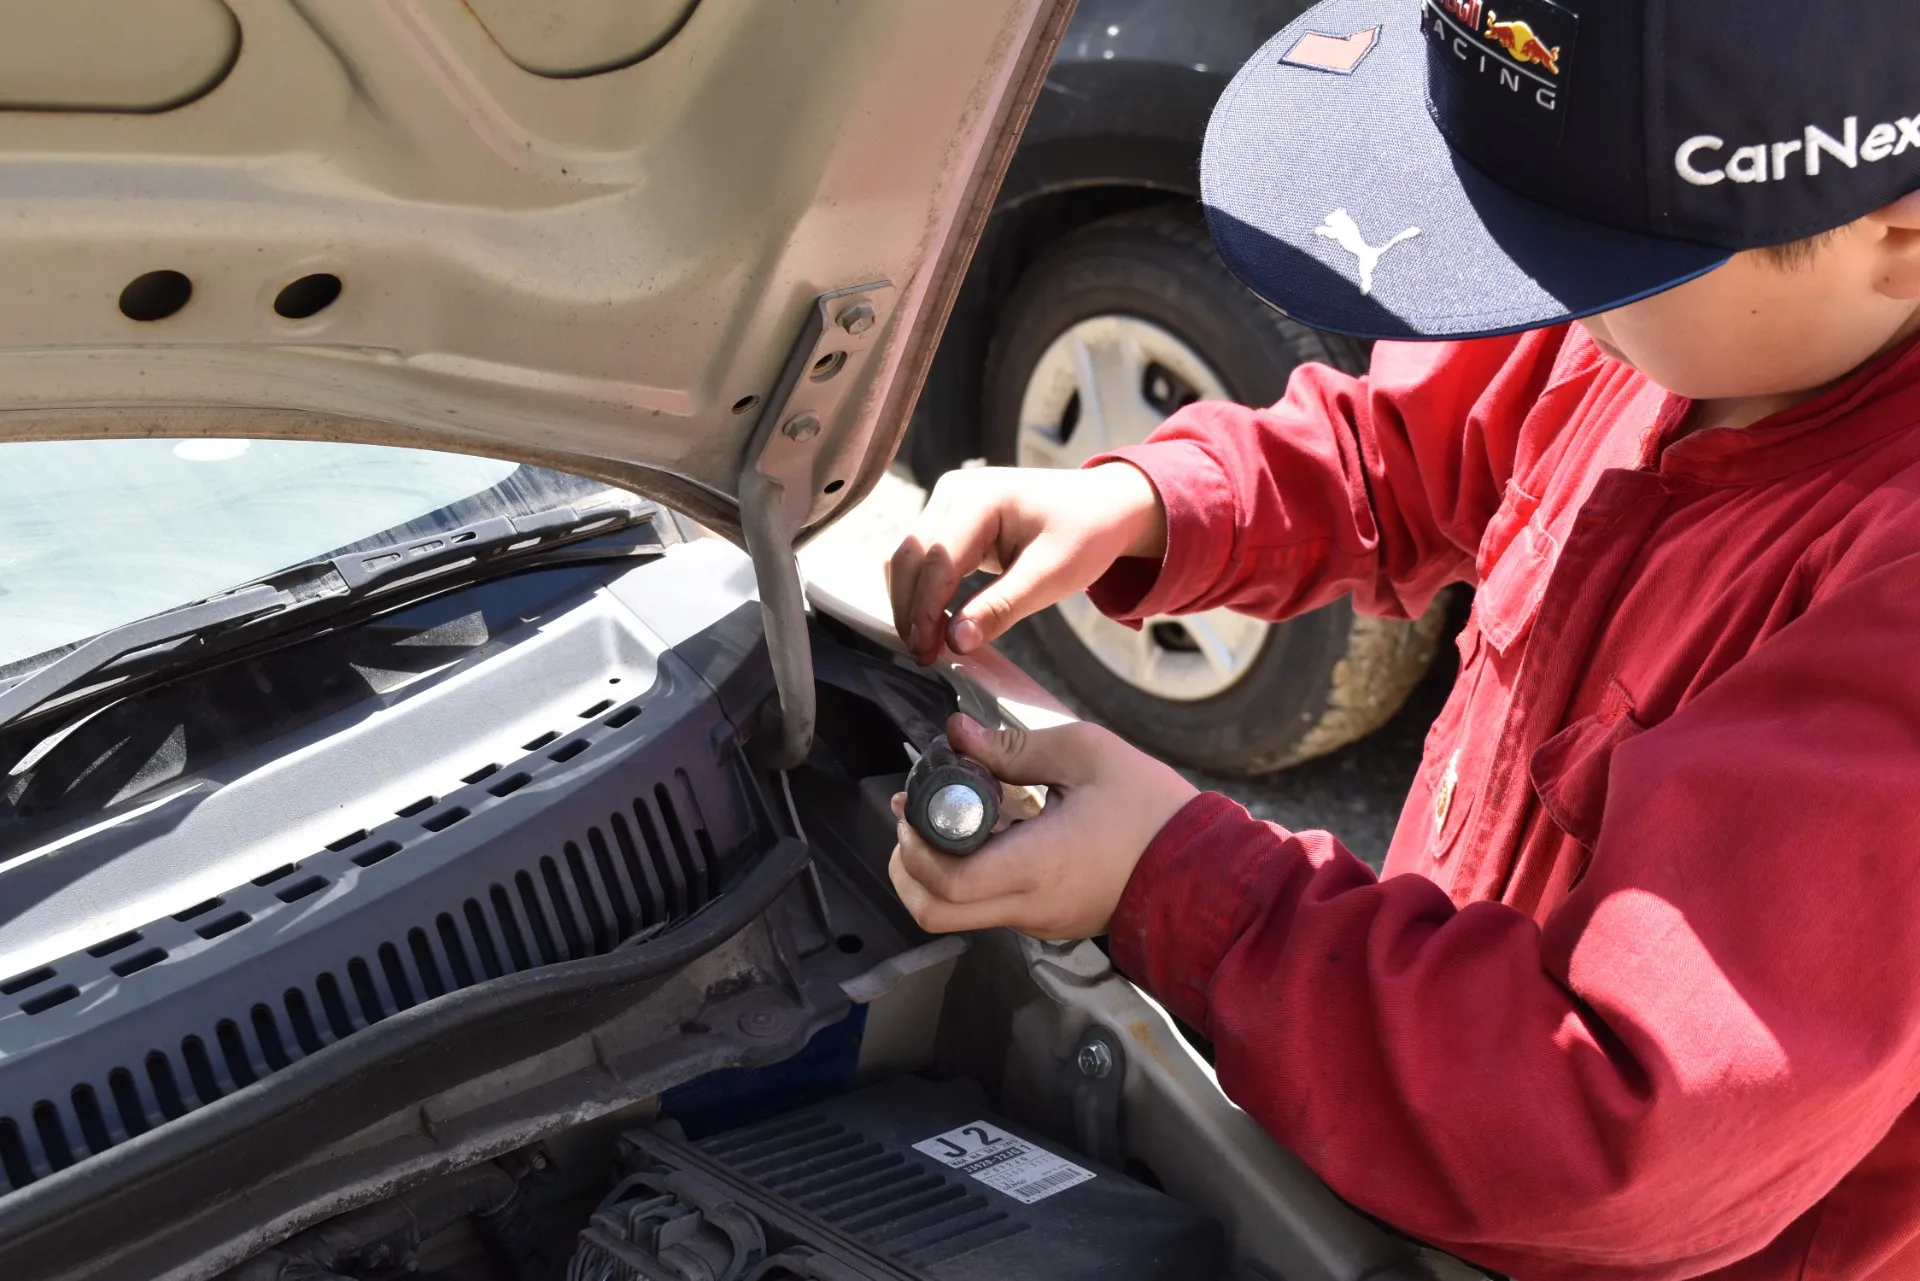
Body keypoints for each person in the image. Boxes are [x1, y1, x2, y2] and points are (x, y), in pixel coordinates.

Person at [883, 1, 1920, 1278]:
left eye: (1580, 264)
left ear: (1900, 235)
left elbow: (1626, 1124)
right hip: (1425, 1126)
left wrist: (1184, 884)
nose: (1536, 296)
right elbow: (1399, 454)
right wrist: (1152, 505)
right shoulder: (1684, 326)